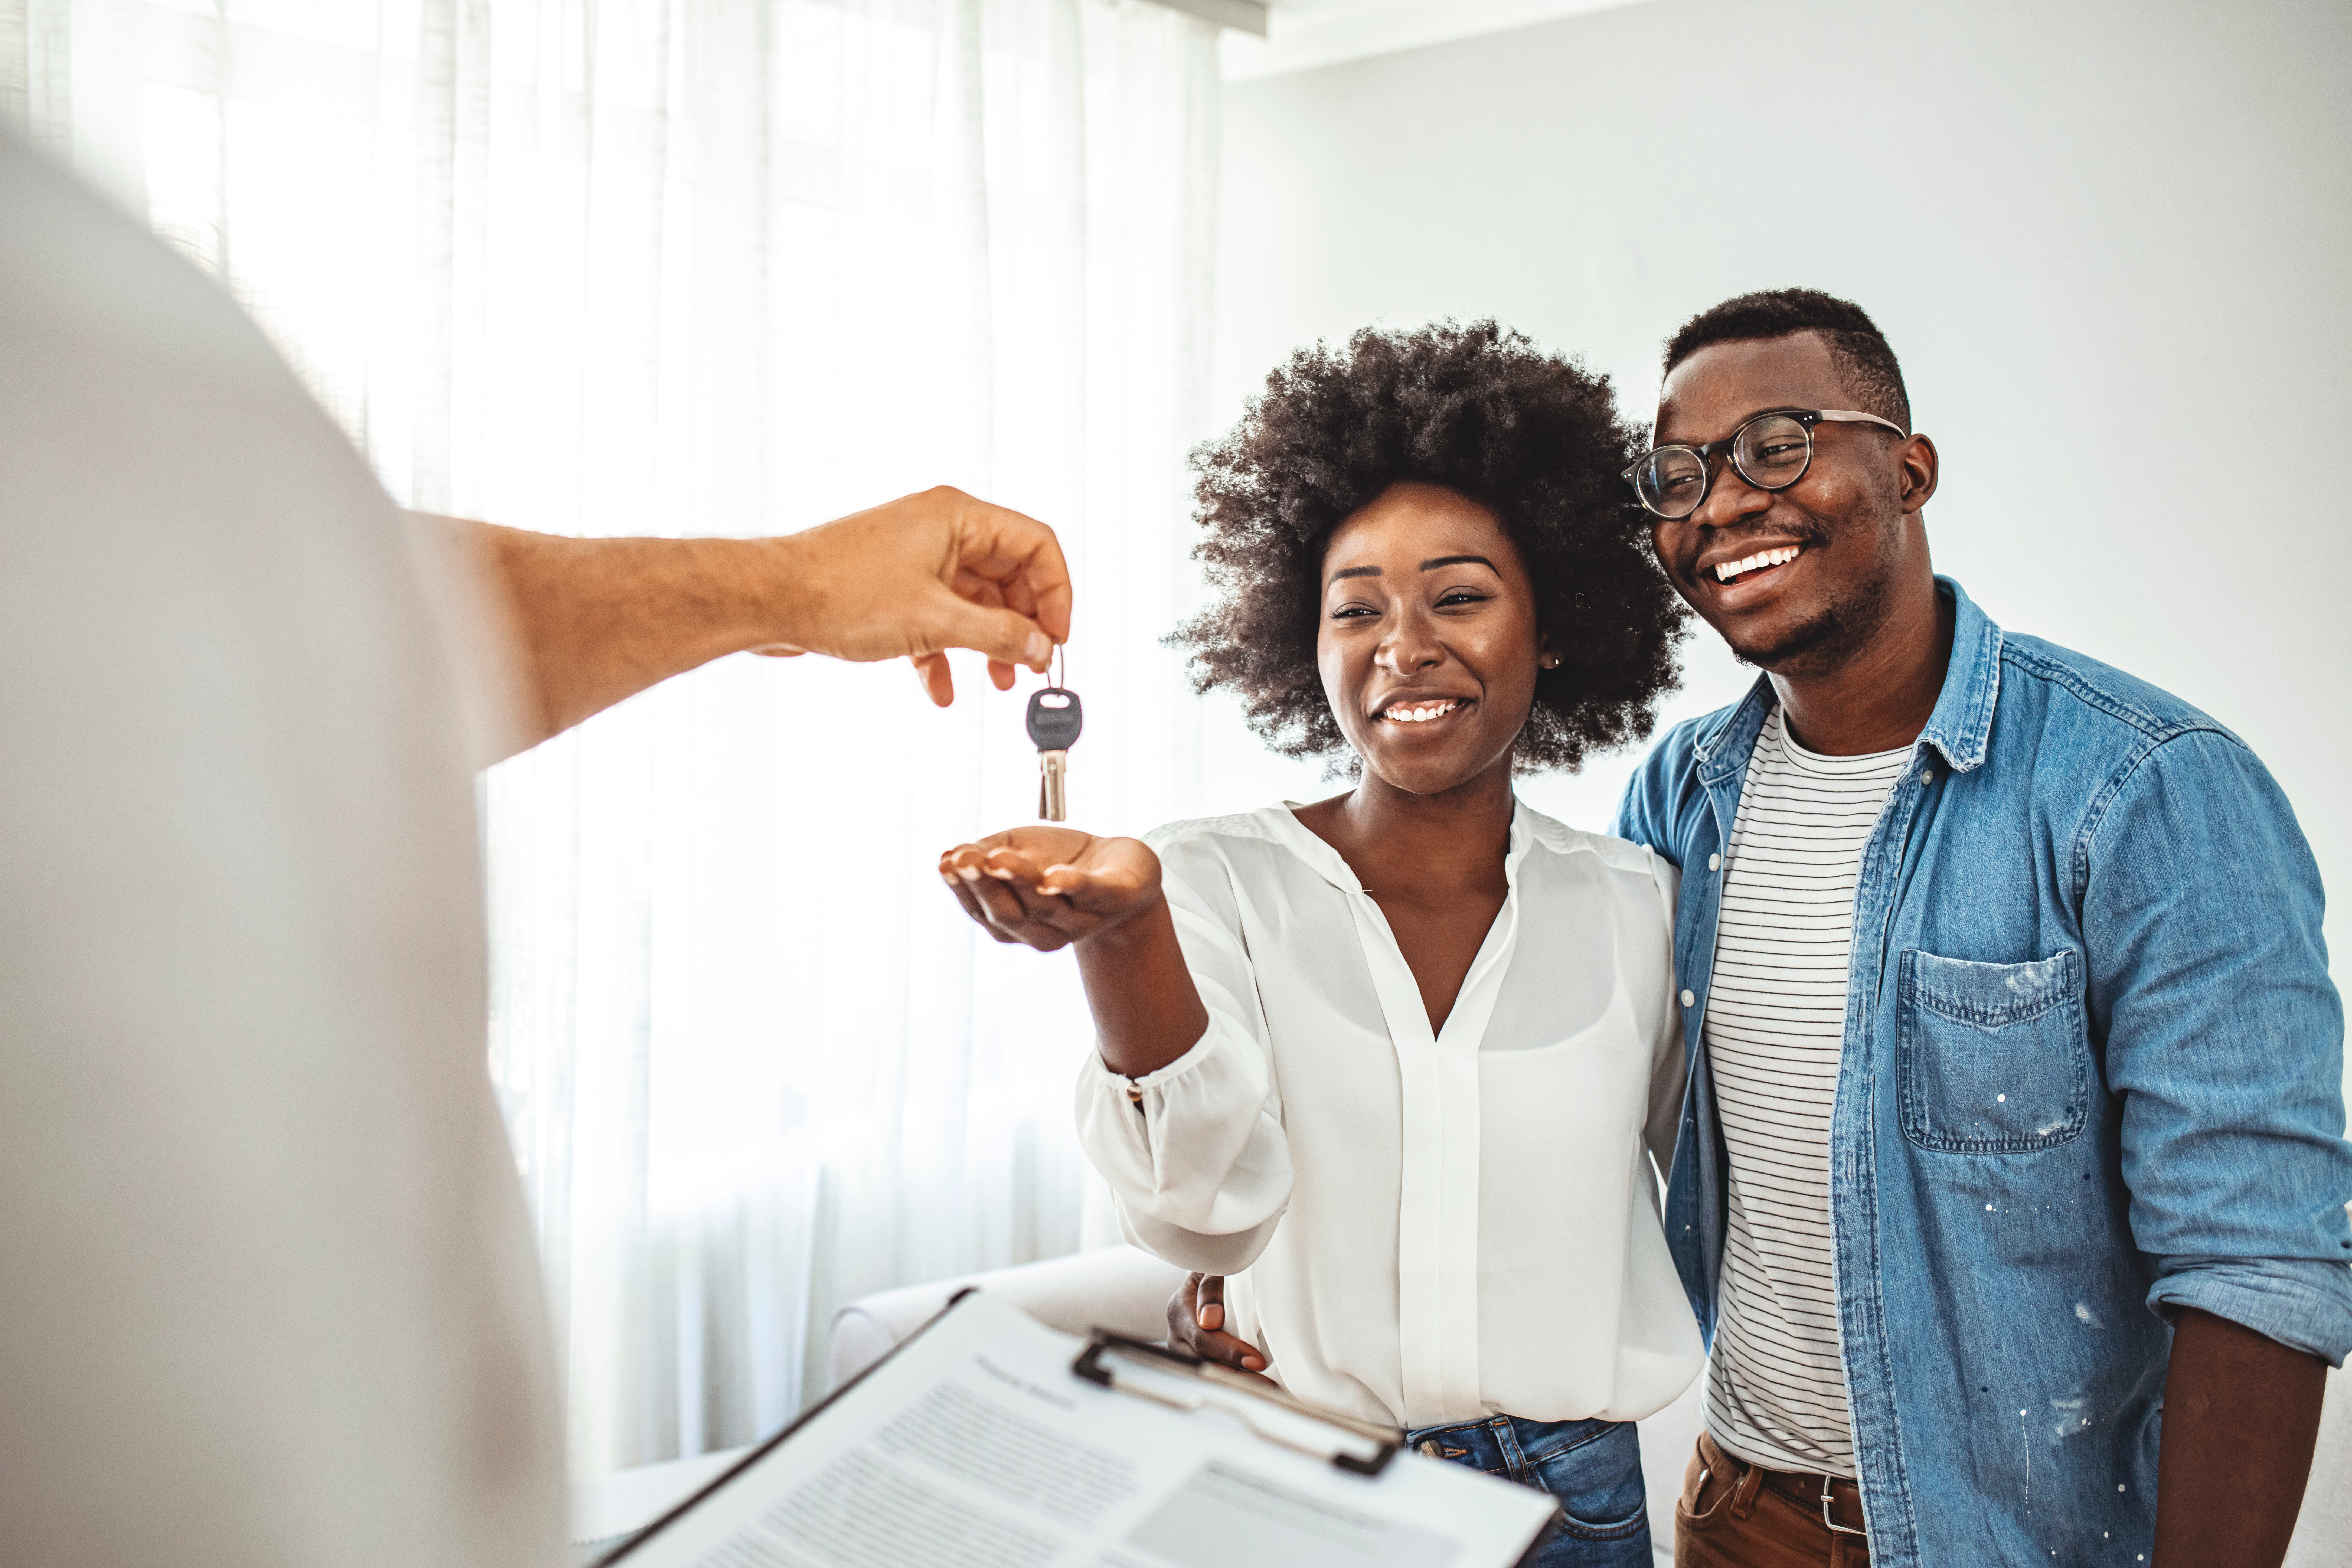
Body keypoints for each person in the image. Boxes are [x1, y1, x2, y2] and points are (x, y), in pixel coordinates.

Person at [0, 127, 1068, 1567]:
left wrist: (788, 590)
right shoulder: (92, 356)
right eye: (1358, 607)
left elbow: (353, 624)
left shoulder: (102, 345)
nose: (1399, 651)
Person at [1177, 289, 2352, 1568]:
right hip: (1739, 1517)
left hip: (2016, 1541)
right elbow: (1527, 1122)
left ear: (1910, 469)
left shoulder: (2144, 787)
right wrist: (1254, 1284)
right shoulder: (1683, 799)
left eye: (1779, 444)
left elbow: (2259, 1265)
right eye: (1680, 475)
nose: (1727, 500)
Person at [939, 321, 1702, 1565]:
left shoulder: (1637, 903)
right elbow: (1200, 1210)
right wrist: (1123, 930)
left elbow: (1728, 1200)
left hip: (1578, 1506)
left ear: (1553, 626)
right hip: (1306, 1486)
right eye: (1359, 608)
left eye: (1458, 595)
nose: (1405, 642)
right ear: (1306, 641)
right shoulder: (1209, 877)